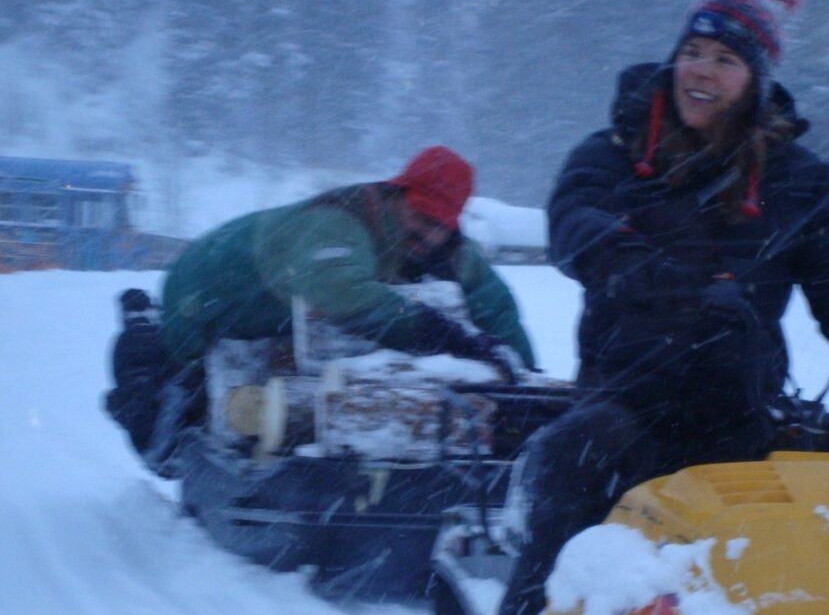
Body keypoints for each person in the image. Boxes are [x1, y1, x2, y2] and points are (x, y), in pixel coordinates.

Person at [497, 0, 829, 615]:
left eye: (725, 59)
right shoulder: (613, 153)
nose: (702, 70)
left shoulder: (801, 180)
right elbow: (577, 225)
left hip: (746, 406)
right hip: (630, 398)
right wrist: (652, 273)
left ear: (757, 79)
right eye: (693, 51)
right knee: (581, 453)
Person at [110, 146, 536, 459]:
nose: (427, 235)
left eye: (439, 227)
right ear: (397, 195)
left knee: (278, 397)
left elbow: (493, 303)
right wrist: (454, 338)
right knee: (161, 433)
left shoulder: (439, 247)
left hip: (281, 316)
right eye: (420, 218)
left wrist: (523, 377)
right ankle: (142, 326)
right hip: (205, 294)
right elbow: (346, 298)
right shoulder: (338, 220)